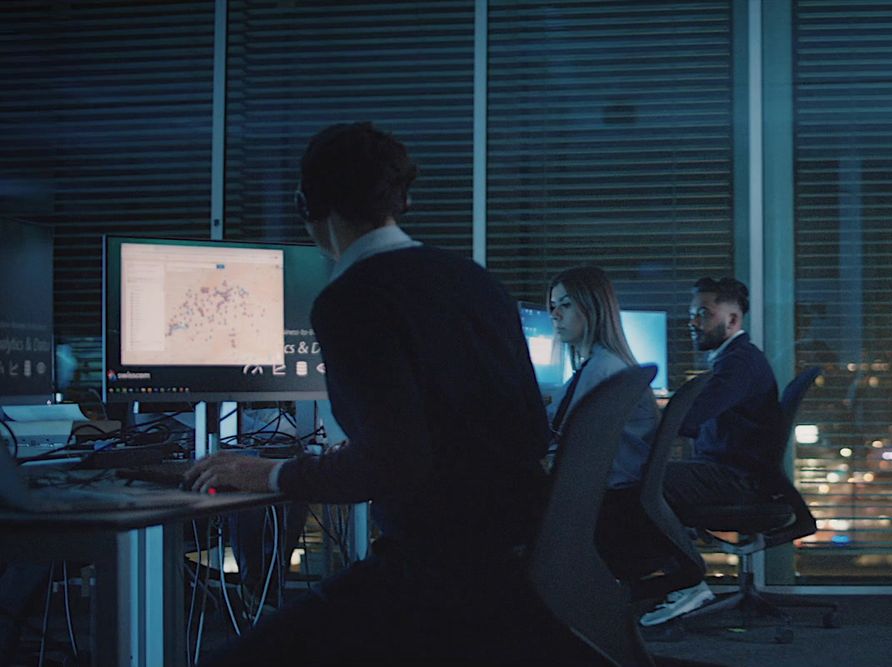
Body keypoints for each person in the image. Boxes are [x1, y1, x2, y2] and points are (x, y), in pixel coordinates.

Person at [184, 122, 599, 665]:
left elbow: (391, 463)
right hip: (523, 566)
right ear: (401, 200)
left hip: (438, 580)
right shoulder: (474, 280)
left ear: (306, 204)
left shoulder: (351, 299)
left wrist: (269, 473)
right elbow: (520, 430)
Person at [636, 276, 785, 627]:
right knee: (651, 477)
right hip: (733, 472)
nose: (693, 322)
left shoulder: (738, 364)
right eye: (692, 313)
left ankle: (686, 580)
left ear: (732, 320)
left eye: (703, 313)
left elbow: (691, 417)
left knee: (640, 482)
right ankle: (673, 574)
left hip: (737, 479)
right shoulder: (733, 360)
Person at [545, 266, 661, 489]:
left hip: (605, 492)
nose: (554, 315)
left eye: (565, 305)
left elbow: (555, 432)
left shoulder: (601, 370)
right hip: (619, 483)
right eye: (553, 306)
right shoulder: (609, 363)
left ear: (593, 308)